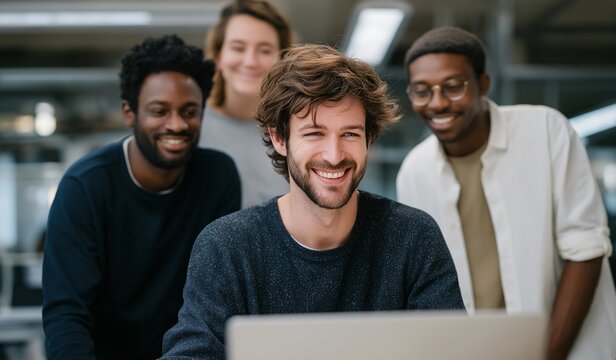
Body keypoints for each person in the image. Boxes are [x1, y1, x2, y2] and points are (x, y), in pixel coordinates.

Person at [161, 44, 464, 359]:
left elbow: (455, 352)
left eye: (349, 134)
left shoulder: (413, 237)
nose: (334, 156)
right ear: (280, 138)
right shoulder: (227, 246)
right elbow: (192, 352)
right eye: (314, 134)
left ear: (368, 139)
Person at [396, 26, 616, 360]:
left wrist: (547, 355)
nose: (437, 103)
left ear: (483, 84)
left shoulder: (546, 131)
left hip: (573, 349)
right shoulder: (414, 171)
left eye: (453, 86)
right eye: (422, 91)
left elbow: (586, 249)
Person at [42, 35, 241, 360]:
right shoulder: (84, 187)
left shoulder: (219, 177)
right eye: (159, 111)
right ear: (130, 113)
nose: (176, 124)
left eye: (189, 111)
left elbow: (216, 301)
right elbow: (66, 315)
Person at [199, 0, 293, 208]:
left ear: (282, 61)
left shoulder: (295, 132)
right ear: (218, 57)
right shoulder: (190, 128)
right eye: (238, 48)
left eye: (265, 50)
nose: (250, 61)